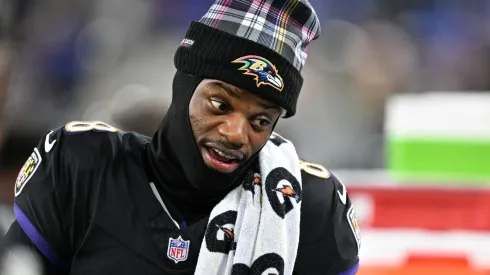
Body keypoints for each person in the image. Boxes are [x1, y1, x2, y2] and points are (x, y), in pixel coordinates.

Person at [2, 0, 361, 274]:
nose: (236, 133)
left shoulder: (305, 207)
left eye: (261, 120)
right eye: (219, 104)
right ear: (184, 87)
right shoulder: (84, 168)